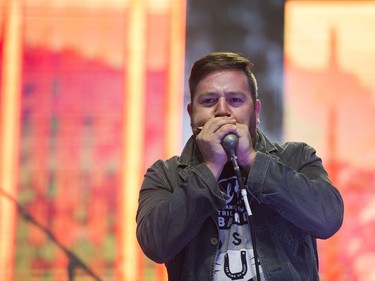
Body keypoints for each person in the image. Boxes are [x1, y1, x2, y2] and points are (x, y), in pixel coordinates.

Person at [136, 52, 344, 280]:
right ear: (191, 113)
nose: (222, 111)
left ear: (256, 112)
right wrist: (209, 167)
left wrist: (251, 160)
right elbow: (155, 245)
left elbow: (328, 220)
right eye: (208, 101)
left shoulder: (296, 158)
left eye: (235, 100)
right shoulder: (166, 175)